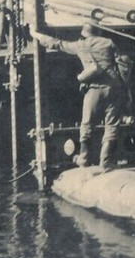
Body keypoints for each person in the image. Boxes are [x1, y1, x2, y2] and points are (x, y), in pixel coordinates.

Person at [36, 23, 124, 169]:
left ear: (85, 33)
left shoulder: (80, 45)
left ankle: (83, 158)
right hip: (113, 88)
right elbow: (122, 63)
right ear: (98, 32)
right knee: (111, 125)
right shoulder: (109, 43)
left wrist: (37, 35)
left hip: (93, 89)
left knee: (87, 124)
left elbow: (57, 44)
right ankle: (106, 161)